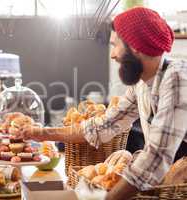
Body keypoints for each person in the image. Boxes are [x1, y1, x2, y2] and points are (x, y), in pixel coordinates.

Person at [13, 7, 187, 200]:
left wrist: (107, 199)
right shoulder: (142, 82)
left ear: (135, 46)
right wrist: (42, 133)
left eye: (115, 45)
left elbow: (156, 157)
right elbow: (103, 126)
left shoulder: (177, 78)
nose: (113, 55)